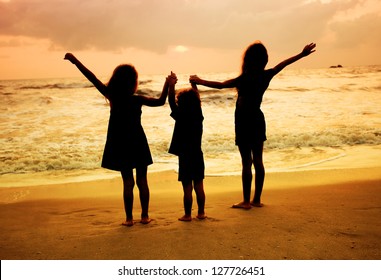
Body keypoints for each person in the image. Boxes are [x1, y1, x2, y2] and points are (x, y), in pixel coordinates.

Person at [190, 42, 316, 209]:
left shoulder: (243, 79)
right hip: (257, 118)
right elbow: (283, 64)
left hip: (243, 120)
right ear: (264, 60)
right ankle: (256, 200)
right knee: (258, 160)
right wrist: (301, 54)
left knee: (246, 162)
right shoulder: (266, 75)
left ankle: (246, 201)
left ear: (247, 60)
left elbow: (220, 85)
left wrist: (198, 81)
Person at [64, 53, 177, 226]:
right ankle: (145, 216)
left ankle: (129, 219)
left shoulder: (112, 95)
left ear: (116, 79)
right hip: (137, 140)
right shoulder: (137, 99)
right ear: (133, 82)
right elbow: (160, 101)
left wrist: (74, 61)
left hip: (120, 142)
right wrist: (168, 85)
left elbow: (91, 76)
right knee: (142, 180)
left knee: (128, 182)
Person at [168, 73, 206, 221]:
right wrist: (194, 85)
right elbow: (197, 98)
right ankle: (201, 213)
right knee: (199, 186)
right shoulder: (198, 114)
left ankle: (188, 215)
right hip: (197, 154)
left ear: (180, 103)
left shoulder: (180, 115)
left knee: (187, 188)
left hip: (185, 156)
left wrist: (171, 85)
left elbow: (171, 101)